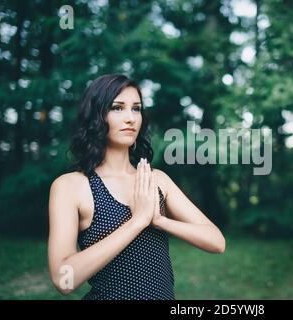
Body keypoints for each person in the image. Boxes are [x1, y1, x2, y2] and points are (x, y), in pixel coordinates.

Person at [47, 74, 225, 300]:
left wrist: (159, 220)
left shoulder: (156, 180)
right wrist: (137, 222)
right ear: (96, 115)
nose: (130, 118)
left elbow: (216, 241)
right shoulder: (71, 186)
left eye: (136, 109)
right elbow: (64, 280)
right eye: (117, 108)